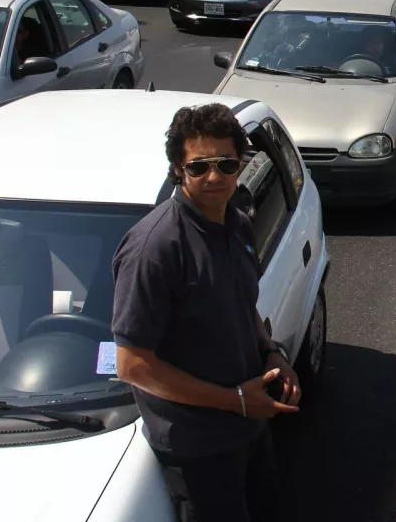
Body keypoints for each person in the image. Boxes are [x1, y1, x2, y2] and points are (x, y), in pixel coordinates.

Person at [112, 103, 301, 522]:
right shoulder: (155, 249)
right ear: (178, 169)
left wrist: (271, 354)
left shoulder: (236, 223)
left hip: (248, 427)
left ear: (239, 166)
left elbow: (241, 303)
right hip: (199, 451)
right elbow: (132, 365)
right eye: (199, 167)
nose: (214, 177)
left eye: (226, 164)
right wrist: (233, 400)